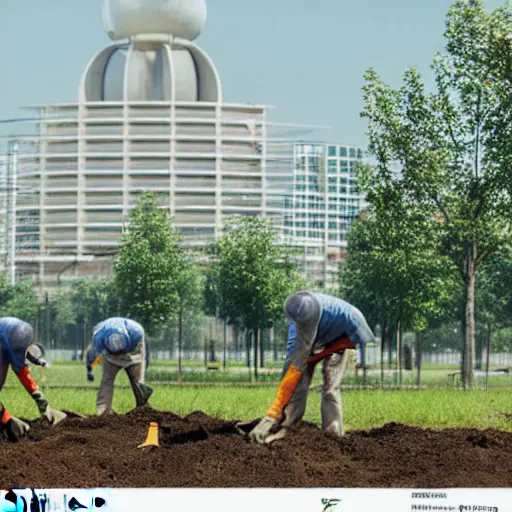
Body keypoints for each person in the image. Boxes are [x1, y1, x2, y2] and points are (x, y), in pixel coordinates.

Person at [248, 291, 376, 444]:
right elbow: (292, 364)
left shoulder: (348, 316)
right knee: (298, 379)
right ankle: (289, 426)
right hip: (318, 341)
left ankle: (333, 433)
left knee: (331, 386)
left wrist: (364, 356)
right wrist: (274, 412)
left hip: (341, 338)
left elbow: (366, 339)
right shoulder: (297, 325)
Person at [0, 317, 67, 441]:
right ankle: (5, 419)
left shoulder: (21, 331)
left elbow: (22, 358)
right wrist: (7, 418)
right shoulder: (7, 341)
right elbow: (21, 370)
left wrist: (41, 401)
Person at [85, 317, 153, 415]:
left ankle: (142, 410)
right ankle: (103, 411)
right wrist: (89, 370)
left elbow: (144, 354)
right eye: (117, 354)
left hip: (132, 354)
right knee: (106, 381)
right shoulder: (99, 337)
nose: (119, 356)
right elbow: (91, 355)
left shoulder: (136, 333)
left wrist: (143, 369)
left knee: (138, 382)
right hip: (110, 358)